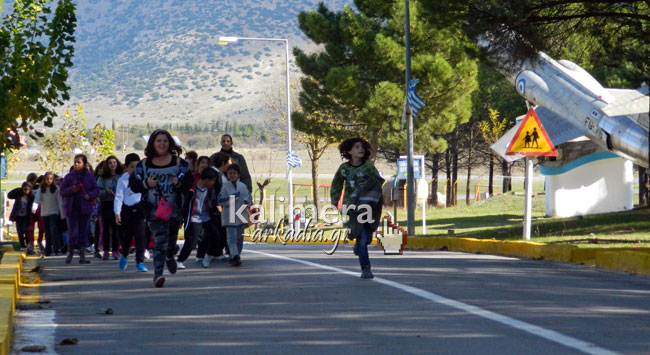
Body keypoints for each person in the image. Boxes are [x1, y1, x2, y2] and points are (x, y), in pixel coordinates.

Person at [130, 129, 193, 288]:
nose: (162, 144)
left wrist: (178, 184)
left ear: (170, 143)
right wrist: (146, 184)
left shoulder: (181, 164)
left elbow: (189, 182)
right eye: (159, 141)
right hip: (153, 211)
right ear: (152, 143)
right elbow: (134, 185)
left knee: (170, 242)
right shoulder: (143, 165)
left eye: (165, 141)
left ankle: (170, 255)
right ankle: (158, 274)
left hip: (174, 211)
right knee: (159, 241)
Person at [330, 137, 384, 279]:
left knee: (366, 237)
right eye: (356, 147)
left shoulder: (368, 167)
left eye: (362, 147)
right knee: (362, 237)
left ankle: (359, 247)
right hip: (353, 208)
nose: (360, 149)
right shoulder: (344, 169)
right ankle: (366, 268)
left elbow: (378, 184)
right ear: (349, 151)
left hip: (369, 206)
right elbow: (336, 184)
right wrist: (335, 202)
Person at [177, 167, 219, 269]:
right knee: (192, 241)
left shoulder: (209, 189)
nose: (213, 183)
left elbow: (211, 201)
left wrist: (216, 207)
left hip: (206, 216)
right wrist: (181, 219)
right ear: (207, 180)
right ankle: (180, 260)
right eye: (213, 181)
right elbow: (185, 205)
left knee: (215, 233)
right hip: (194, 218)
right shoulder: (192, 189)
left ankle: (208, 256)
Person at [60, 154, 100, 264]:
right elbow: (62, 191)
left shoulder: (89, 176)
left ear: (84, 163)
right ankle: (70, 253)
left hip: (85, 207)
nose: (76, 164)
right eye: (75, 162)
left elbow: (96, 189)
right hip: (71, 208)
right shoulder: (69, 177)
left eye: (79, 162)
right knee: (72, 231)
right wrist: (71, 190)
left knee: (83, 231)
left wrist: (90, 195)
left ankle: (82, 256)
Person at [115, 153, 148, 272]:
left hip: (139, 210)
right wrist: (117, 213)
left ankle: (139, 261)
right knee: (126, 237)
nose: (134, 169)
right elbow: (118, 197)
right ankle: (124, 254)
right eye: (132, 167)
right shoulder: (123, 179)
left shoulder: (142, 177)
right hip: (126, 211)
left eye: (136, 166)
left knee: (140, 237)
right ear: (127, 167)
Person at [196, 151, 230, 265]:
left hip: (219, 206)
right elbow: (213, 193)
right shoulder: (215, 174)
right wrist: (216, 205)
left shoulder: (221, 174)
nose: (229, 166)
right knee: (211, 232)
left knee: (219, 231)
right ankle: (202, 254)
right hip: (212, 208)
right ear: (223, 163)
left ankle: (216, 252)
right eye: (228, 163)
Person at [218, 164, 251, 267]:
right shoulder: (225, 187)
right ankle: (235, 255)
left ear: (238, 175)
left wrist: (246, 202)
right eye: (230, 173)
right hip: (229, 215)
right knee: (231, 238)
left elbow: (249, 198)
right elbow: (221, 201)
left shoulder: (243, 186)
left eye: (234, 173)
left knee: (239, 238)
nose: (232, 175)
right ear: (227, 175)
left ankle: (235, 256)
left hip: (240, 215)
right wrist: (231, 198)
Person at [97, 155, 124, 260]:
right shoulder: (102, 178)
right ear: (107, 165)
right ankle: (106, 250)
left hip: (118, 204)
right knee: (106, 229)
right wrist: (105, 191)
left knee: (116, 228)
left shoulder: (121, 176)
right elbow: (97, 191)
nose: (112, 164)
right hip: (106, 203)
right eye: (110, 163)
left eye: (114, 162)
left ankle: (116, 250)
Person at [34, 172, 65, 256]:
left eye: (51, 179)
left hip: (54, 213)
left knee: (53, 230)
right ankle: (48, 249)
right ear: (44, 179)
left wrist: (62, 214)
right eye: (47, 179)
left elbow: (60, 202)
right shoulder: (41, 189)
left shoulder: (56, 189)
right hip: (44, 214)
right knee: (47, 232)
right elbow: (37, 200)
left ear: (53, 180)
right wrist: (34, 208)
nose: (49, 180)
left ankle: (56, 248)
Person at [8, 182, 35, 252]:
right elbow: (9, 195)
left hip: (26, 216)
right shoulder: (18, 194)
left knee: (26, 230)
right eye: (24, 189)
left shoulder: (31, 196)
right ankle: (22, 245)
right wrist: (17, 190)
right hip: (18, 216)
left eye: (28, 190)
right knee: (20, 231)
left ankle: (28, 243)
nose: (26, 191)